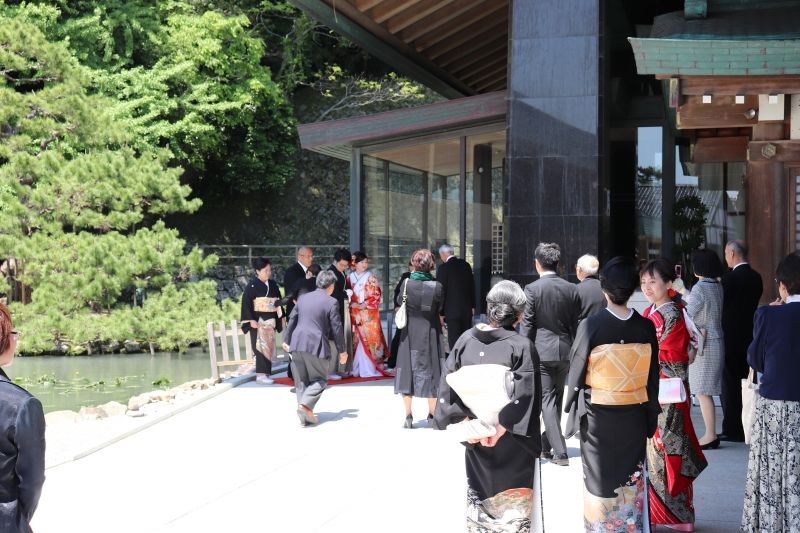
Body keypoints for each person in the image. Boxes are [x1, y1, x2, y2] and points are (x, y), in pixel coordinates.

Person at [434, 280, 543, 533]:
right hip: (513, 439)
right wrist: (501, 427)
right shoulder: (521, 346)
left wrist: (470, 426)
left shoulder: (465, 340)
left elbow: (447, 384)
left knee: (480, 500)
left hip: (476, 435)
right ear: (519, 314)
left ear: (490, 307)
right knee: (513, 506)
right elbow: (528, 395)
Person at [565, 257, 660, 533]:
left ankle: (599, 528)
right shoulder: (644, 327)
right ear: (633, 289)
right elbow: (651, 375)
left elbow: (577, 370)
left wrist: (571, 403)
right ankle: (629, 525)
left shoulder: (592, 325)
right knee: (629, 475)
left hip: (598, 418)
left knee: (599, 477)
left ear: (603, 289)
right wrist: (650, 413)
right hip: (633, 413)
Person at [640, 258, 707, 530]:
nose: (647, 287)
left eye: (653, 281)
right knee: (661, 452)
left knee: (665, 451)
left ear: (669, 283)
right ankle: (665, 515)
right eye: (643, 282)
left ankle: (674, 517)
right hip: (661, 392)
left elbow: (677, 359)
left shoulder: (672, 313)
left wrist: (645, 356)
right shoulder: (657, 311)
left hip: (667, 394)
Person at [741, 251, 800, 532]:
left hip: (777, 404)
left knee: (773, 472)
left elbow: (755, 360)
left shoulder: (769, 314)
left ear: (783, 286)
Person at [520, 242, 580, 467]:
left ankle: (560, 452)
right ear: (559, 263)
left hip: (541, 351)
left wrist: (522, 351)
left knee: (547, 399)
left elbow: (527, 324)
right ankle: (547, 445)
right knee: (554, 399)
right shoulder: (571, 288)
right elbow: (576, 324)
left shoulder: (532, 289)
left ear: (537, 263)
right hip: (565, 351)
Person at [0, 304, 46, 533]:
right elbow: (32, 482)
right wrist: (16, 520)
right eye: (13, 333)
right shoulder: (22, 405)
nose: (16, 339)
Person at [281, 270, 348, 426]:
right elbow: (337, 328)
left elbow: (292, 317)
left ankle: (304, 417)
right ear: (330, 286)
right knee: (320, 379)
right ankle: (304, 406)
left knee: (301, 381)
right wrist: (342, 351)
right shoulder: (331, 302)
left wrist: (286, 339)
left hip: (296, 343)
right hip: (315, 344)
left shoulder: (303, 298)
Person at [394, 249, 445, 428]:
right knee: (432, 371)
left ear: (415, 263)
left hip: (409, 333)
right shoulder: (437, 286)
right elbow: (439, 308)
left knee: (408, 370)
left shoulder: (407, 283)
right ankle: (431, 415)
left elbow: (400, 301)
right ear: (430, 264)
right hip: (430, 332)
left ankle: (408, 416)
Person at [720, 240, 762, 442]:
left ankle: (732, 428)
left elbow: (722, 306)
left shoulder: (729, 279)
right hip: (750, 336)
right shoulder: (756, 277)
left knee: (730, 384)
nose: (726, 257)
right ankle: (748, 424)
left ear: (733, 253)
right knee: (748, 382)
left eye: (726, 254)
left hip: (729, 337)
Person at [686, 249, 725, 450]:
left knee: (702, 391)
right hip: (716, 340)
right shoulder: (717, 286)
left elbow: (689, 313)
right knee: (705, 391)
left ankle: (710, 435)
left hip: (704, 343)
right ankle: (711, 434)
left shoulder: (699, 287)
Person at [346, 251, 390, 377]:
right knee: (356, 340)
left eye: (366, 262)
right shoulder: (349, 277)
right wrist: (352, 304)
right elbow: (346, 294)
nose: (365, 264)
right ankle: (355, 368)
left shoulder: (370, 277)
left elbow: (376, 295)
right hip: (355, 313)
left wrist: (363, 305)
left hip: (368, 314)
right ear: (355, 264)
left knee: (370, 341)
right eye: (362, 262)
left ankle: (370, 368)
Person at [240, 257, 283, 385]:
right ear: (257, 271)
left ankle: (266, 374)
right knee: (259, 347)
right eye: (266, 270)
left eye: (270, 270)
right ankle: (260, 375)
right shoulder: (251, 286)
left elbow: (278, 301)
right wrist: (250, 320)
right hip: (258, 321)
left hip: (270, 320)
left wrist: (281, 316)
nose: (269, 272)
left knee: (268, 347)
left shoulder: (273, 284)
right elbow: (246, 304)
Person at [437, 243, 476, 350]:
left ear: (444, 254)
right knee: (466, 339)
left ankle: (455, 364)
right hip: (466, 310)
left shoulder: (443, 268)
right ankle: (466, 361)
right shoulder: (466, 265)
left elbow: (441, 292)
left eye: (441, 255)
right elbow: (472, 287)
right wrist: (473, 306)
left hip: (451, 311)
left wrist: (441, 312)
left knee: (454, 341)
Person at [328, 248, 353, 375]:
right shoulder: (330, 273)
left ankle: (341, 369)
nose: (343, 267)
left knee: (341, 339)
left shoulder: (340, 272)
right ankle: (331, 371)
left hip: (342, 309)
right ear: (335, 261)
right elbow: (332, 293)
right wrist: (345, 293)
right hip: (333, 310)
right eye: (341, 264)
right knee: (333, 340)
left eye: (345, 265)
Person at [388, 262, 412, 369]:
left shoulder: (426, 276)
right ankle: (392, 361)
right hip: (404, 310)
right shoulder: (406, 276)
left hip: (416, 311)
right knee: (399, 335)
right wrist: (397, 305)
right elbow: (397, 291)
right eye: (411, 265)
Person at [283, 246, 314, 320]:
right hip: (296, 314)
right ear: (300, 257)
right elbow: (291, 294)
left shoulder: (311, 271)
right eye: (309, 256)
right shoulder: (292, 271)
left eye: (312, 256)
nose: (311, 259)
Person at [575, 254, 606, 321]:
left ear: (579, 269)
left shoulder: (575, 290)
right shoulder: (606, 288)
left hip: (584, 330)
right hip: (605, 328)